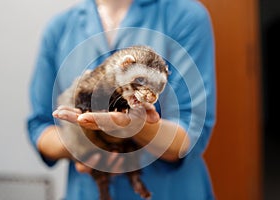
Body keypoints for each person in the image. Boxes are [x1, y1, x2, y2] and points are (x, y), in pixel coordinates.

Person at [27, 0, 216, 199]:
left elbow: (190, 133)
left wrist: (137, 127)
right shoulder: (60, 28)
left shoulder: (185, 16)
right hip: (86, 191)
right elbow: (40, 126)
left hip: (168, 190)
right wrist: (86, 144)